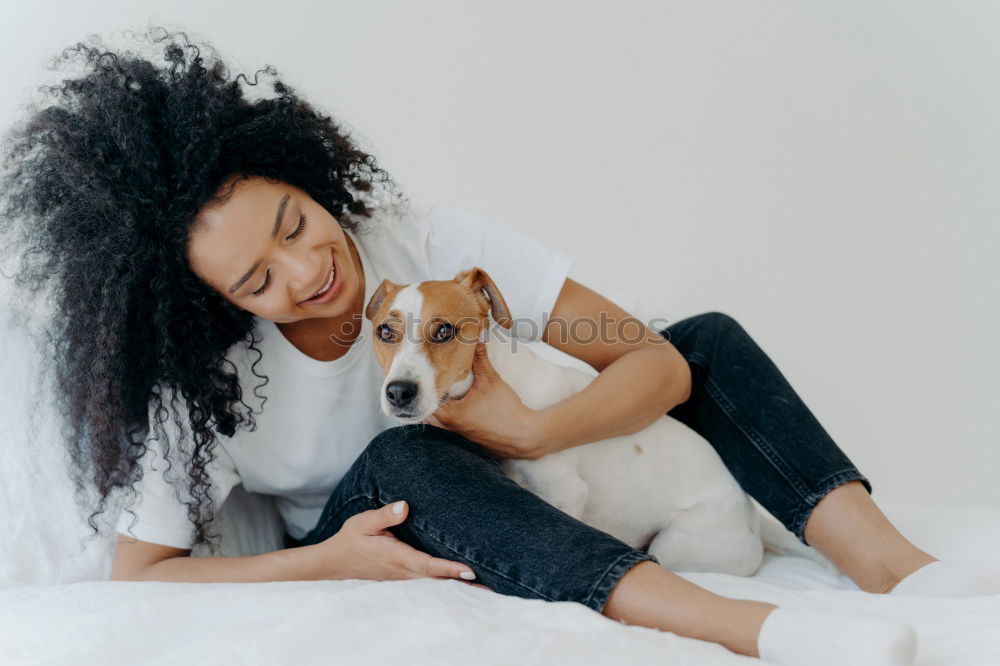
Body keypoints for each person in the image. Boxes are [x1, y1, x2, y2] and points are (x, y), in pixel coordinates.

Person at [1, 28, 995, 666]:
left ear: (300, 173)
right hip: (380, 514)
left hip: (510, 466)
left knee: (708, 336)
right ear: (205, 306)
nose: (305, 274)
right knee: (407, 451)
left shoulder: (429, 245)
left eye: (296, 225)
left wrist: (532, 430)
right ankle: (753, 628)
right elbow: (141, 576)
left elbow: (655, 361)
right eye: (256, 280)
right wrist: (326, 562)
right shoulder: (209, 387)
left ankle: (889, 565)